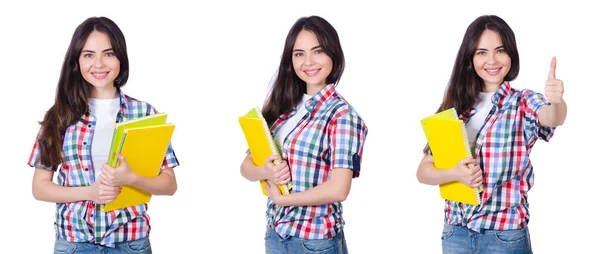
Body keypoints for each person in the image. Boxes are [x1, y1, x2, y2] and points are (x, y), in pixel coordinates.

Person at [27, 16, 179, 253]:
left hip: (131, 243)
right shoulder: (58, 116)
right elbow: (40, 187)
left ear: (120, 58)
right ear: (77, 61)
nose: (98, 64)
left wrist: (131, 179)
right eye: (88, 55)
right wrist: (90, 193)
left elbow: (169, 184)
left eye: (108, 54)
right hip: (74, 244)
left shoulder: (144, 114)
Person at [416, 15, 567, 253]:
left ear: (511, 55)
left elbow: (551, 117)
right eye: (482, 52)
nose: (492, 61)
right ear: (470, 58)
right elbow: (424, 171)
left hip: (504, 234)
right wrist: (454, 173)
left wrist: (557, 102)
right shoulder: (456, 107)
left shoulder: (523, 101)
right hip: (457, 233)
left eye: (500, 51)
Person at [240, 15, 368, 254]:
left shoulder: (342, 116)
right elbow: (246, 165)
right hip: (276, 235)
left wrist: (282, 200)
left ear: (333, 55)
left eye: (317, 51)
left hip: (315, 242)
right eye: (299, 53)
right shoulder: (283, 107)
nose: (308, 62)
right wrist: (264, 171)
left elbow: (339, 189)